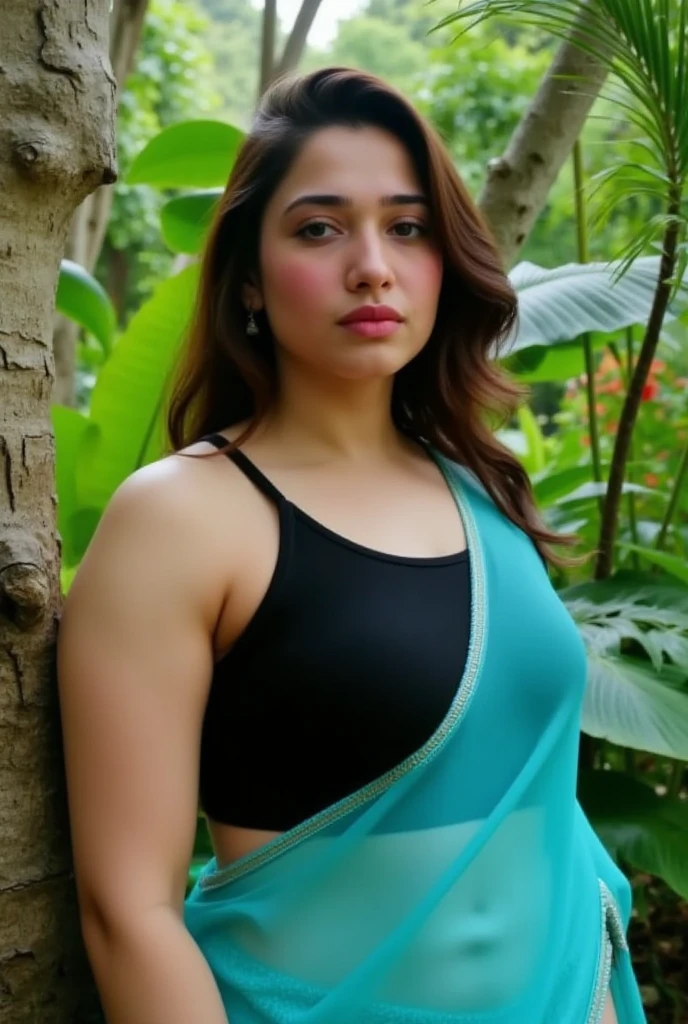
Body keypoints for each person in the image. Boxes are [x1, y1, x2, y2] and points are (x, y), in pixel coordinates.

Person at [57, 67, 647, 1024]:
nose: (372, 265)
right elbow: (128, 912)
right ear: (247, 275)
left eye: (407, 228)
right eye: (319, 228)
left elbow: (550, 830)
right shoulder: (184, 518)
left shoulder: (482, 485)